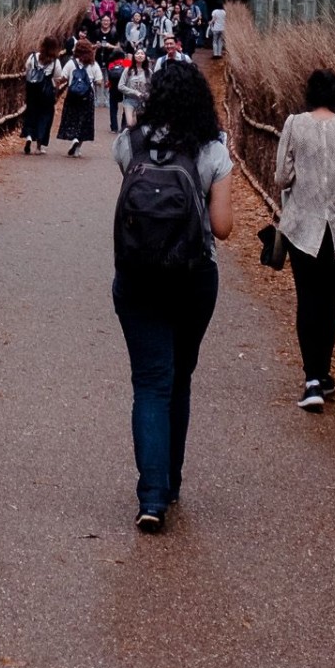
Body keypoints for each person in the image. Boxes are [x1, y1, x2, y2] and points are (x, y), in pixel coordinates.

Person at [112, 62, 233, 533]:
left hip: (138, 277)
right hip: (193, 277)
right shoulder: (212, 151)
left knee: (149, 383)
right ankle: (172, 480)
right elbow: (222, 228)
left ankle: (152, 497)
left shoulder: (129, 145)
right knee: (179, 378)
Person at [275, 66, 335, 409]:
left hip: (303, 226)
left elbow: (282, 176)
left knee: (307, 298)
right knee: (330, 301)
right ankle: (325, 375)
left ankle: (312, 379)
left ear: (309, 93)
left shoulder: (295, 124)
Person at [56, 36, 100, 155]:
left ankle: (74, 137)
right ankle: (78, 148)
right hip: (87, 95)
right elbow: (99, 80)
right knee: (85, 122)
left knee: (73, 118)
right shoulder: (93, 64)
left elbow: (63, 78)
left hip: (73, 95)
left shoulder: (71, 63)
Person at [21, 35, 60, 153]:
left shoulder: (33, 57)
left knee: (31, 112)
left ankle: (28, 136)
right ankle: (39, 145)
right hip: (46, 93)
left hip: (32, 90)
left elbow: (27, 69)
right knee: (45, 116)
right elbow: (58, 76)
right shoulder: (55, 62)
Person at [118, 51, 151, 131]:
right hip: (130, 101)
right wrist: (135, 92)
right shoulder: (127, 70)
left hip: (143, 102)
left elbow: (152, 86)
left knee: (143, 126)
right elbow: (120, 86)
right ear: (134, 56)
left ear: (145, 57)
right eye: (137, 53)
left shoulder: (149, 72)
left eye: (142, 54)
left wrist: (148, 94)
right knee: (130, 124)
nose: (140, 55)